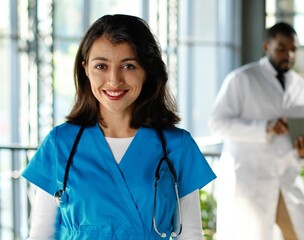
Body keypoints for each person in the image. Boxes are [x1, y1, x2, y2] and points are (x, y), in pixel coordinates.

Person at [22, 14, 216, 239]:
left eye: (128, 66)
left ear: (147, 70)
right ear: (86, 69)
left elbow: (190, 234)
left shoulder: (176, 146)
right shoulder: (60, 143)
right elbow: (41, 234)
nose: (114, 80)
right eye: (101, 66)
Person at [209, 22, 304, 240]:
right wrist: (264, 128)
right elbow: (217, 124)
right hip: (249, 180)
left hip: (286, 179)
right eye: (281, 48)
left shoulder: (303, 89)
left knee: (301, 233)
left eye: (293, 49)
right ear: (266, 46)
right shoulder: (241, 79)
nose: (289, 54)